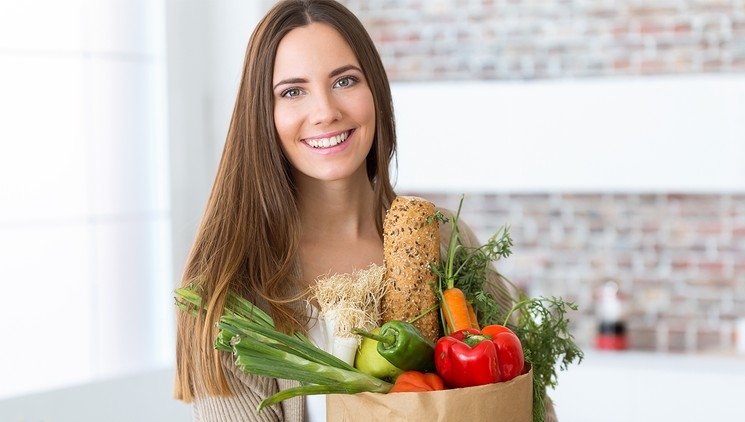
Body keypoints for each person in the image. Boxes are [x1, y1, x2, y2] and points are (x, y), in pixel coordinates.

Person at [174, 1, 557, 421]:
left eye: (344, 81)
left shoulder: (448, 239)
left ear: (375, 90)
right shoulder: (230, 289)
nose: (325, 112)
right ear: (263, 115)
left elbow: (531, 406)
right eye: (293, 91)